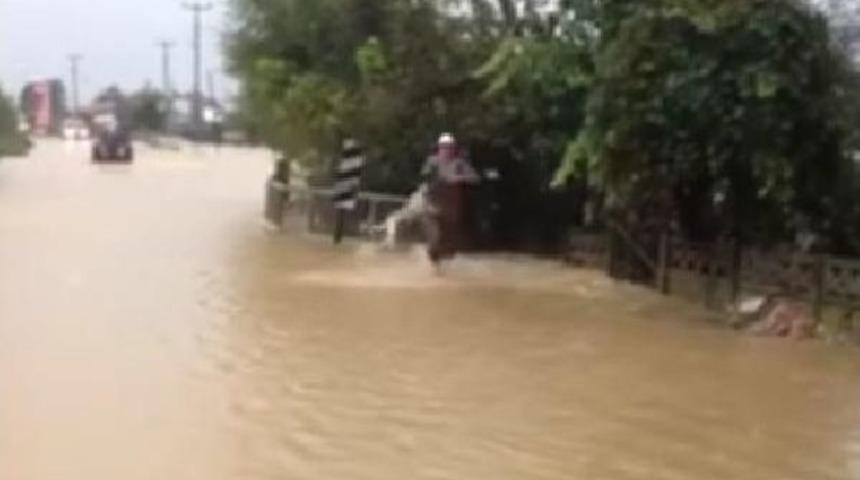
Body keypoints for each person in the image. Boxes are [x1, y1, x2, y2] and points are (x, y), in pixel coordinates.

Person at [420, 133, 480, 265]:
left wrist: (458, 179)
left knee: (448, 243)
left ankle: (442, 266)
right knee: (434, 237)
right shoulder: (432, 162)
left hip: (451, 207)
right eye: (444, 147)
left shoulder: (460, 163)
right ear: (439, 148)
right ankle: (433, 260)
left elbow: (475, 178)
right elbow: (424, 177)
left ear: (454, 148)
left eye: (449, 147)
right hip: (433, 204)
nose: (446, 149)